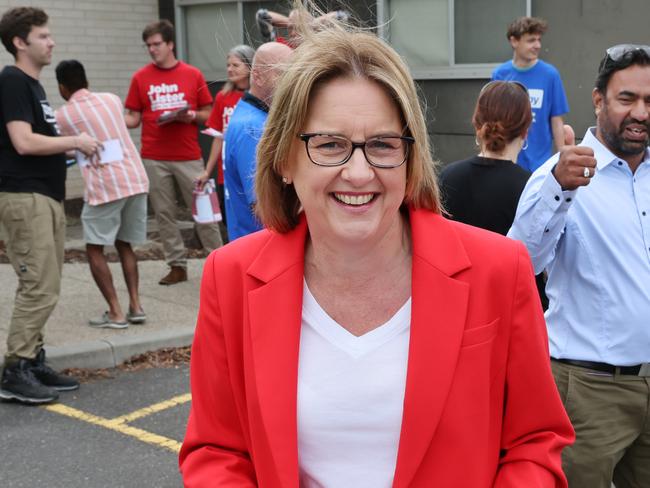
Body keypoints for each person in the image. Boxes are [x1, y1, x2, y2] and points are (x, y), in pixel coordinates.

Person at [180, 9, 574, 487]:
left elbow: (534, 441)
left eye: (384, 145)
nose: (360, 172)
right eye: (329, 145)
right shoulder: (231, 276)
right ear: (284, 159)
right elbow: (216, 449)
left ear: (411, 159)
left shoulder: (498, 268)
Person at [508, 44, 650, 488]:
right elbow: (522, 261)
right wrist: (559, 189)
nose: (640, 112)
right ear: (598, 100)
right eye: (627, 99)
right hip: (588, 392)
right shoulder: (559, 173)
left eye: (649, 101)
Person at [0, 7, 101, 404]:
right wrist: (75, 141)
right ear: (20, 43)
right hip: (25, 197)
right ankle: (15, 369)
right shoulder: (12, 81)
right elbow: (23, 141)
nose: (51, 41)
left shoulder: (33, 86)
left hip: (44, 195)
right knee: (38, 287)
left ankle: (33, 358)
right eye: (43, 36)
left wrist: (65, 151)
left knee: (48, 284)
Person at [124, 19, 222, 286]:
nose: (152, 50)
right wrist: (108, 120)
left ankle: (219, 264)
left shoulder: (192, 74)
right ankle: (176, 265)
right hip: (154, 156)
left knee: (204, 212)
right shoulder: (140, 78)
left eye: (157, 44)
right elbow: (132, 118)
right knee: (164, 213)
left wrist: (190, 115)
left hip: (189, 156)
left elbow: (208, 114)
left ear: (170, 44)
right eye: (149, 46)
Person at [55, 60, 149, 328]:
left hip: (105, 187)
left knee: (95, 248)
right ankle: (136, 306)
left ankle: (116, 313)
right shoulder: (111, 99)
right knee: (124, 244)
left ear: (63, 87)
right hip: (135, 178)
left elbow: (64, 146)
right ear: (85, 80)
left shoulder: (64, 115)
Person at [440, 80, 548, 309]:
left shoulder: (447, 178)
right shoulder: (533, 188)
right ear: (526, 130)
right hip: (517, 312)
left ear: (476, 123)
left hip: (459, 308)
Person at [222, 41, 292, 241]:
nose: (292, 82)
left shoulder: (248, 113)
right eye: (283, 74)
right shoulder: (254, 127)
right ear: (259, 77)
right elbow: (264, 208)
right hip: (261, 246)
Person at [492, 17, 569, 172]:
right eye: (531, 40)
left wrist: (563, 153)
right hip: (506, 162)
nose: (537, 45)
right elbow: (493, 119)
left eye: (539, 40)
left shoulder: (550, 74)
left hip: (539, 165)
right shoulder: (500, 74)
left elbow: (556, 119)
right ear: (514, 41)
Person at [197, 44, 255, 223]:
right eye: (228, 65)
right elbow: (217, 137)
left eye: (235, 65)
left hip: (253, 167)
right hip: (227, 169)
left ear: (250, 66)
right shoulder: (223, 96)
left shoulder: (259, 97)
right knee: (230, 216)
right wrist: (207, 171)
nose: (230, 69)